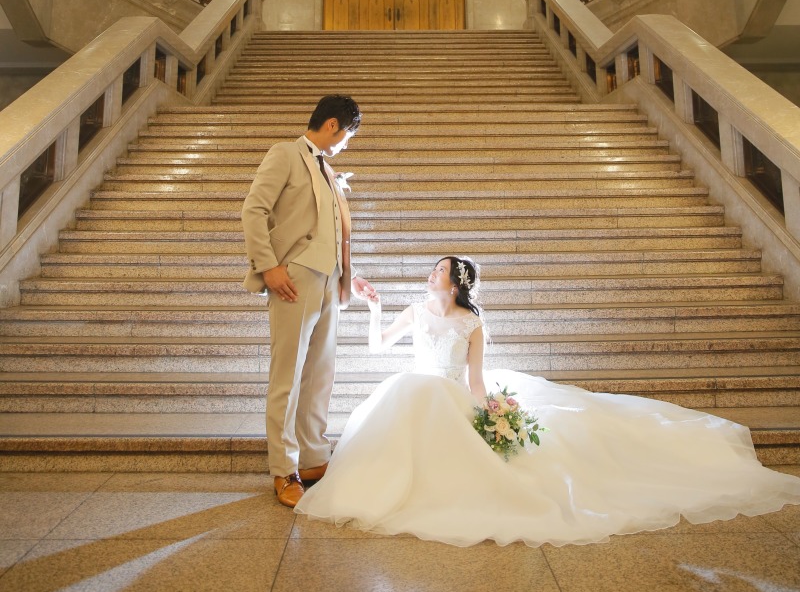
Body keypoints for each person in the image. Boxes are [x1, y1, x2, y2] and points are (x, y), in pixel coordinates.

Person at [296, 255, 800, 546]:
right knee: (412, 392)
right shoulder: (415, 309)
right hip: (414, 391)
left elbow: (475, 379)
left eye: (439, 271)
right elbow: (381, 345)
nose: (431, 275)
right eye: (433, 269)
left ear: (456, 283)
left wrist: (490, 413)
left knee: (437, 405)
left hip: (450, 395)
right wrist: (373, 309)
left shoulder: (472, 323)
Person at [241, 94, 376, 507]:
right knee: (287, 375)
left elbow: (331, 227)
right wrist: (269, 266)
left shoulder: (328, 168)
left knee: (320, 373)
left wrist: (346, 274)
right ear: (333, 125)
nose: (347, 143)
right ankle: (284, 469)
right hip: (294, 279)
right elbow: (253, 210)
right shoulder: (285, 154)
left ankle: (314, 456)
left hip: (329, 281)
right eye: (349, 134)